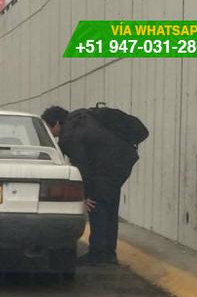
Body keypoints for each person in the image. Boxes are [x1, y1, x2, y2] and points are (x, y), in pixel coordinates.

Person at [42, 105, 142, 265]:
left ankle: (98, 253)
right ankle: (109, 253)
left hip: (107, 167)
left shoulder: (69, 136)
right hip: (122, 160)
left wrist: (86, 195)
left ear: (56, 124)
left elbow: (82, 167)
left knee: (96, 205)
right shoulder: (82, 117)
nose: (49, 133)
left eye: (47, 128)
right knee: (110, 205)